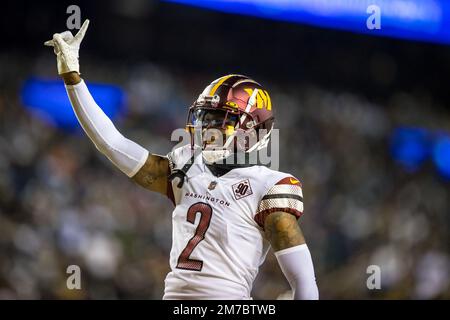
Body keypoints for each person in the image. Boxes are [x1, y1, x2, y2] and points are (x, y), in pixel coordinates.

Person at [45, 20, 319, 300]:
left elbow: (305, 284)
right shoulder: (187, 166)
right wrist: (73, 79)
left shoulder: (269, 186)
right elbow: (113, 144)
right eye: (204, 118)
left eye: (219, 121)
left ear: (254, 129)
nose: (207, 129)